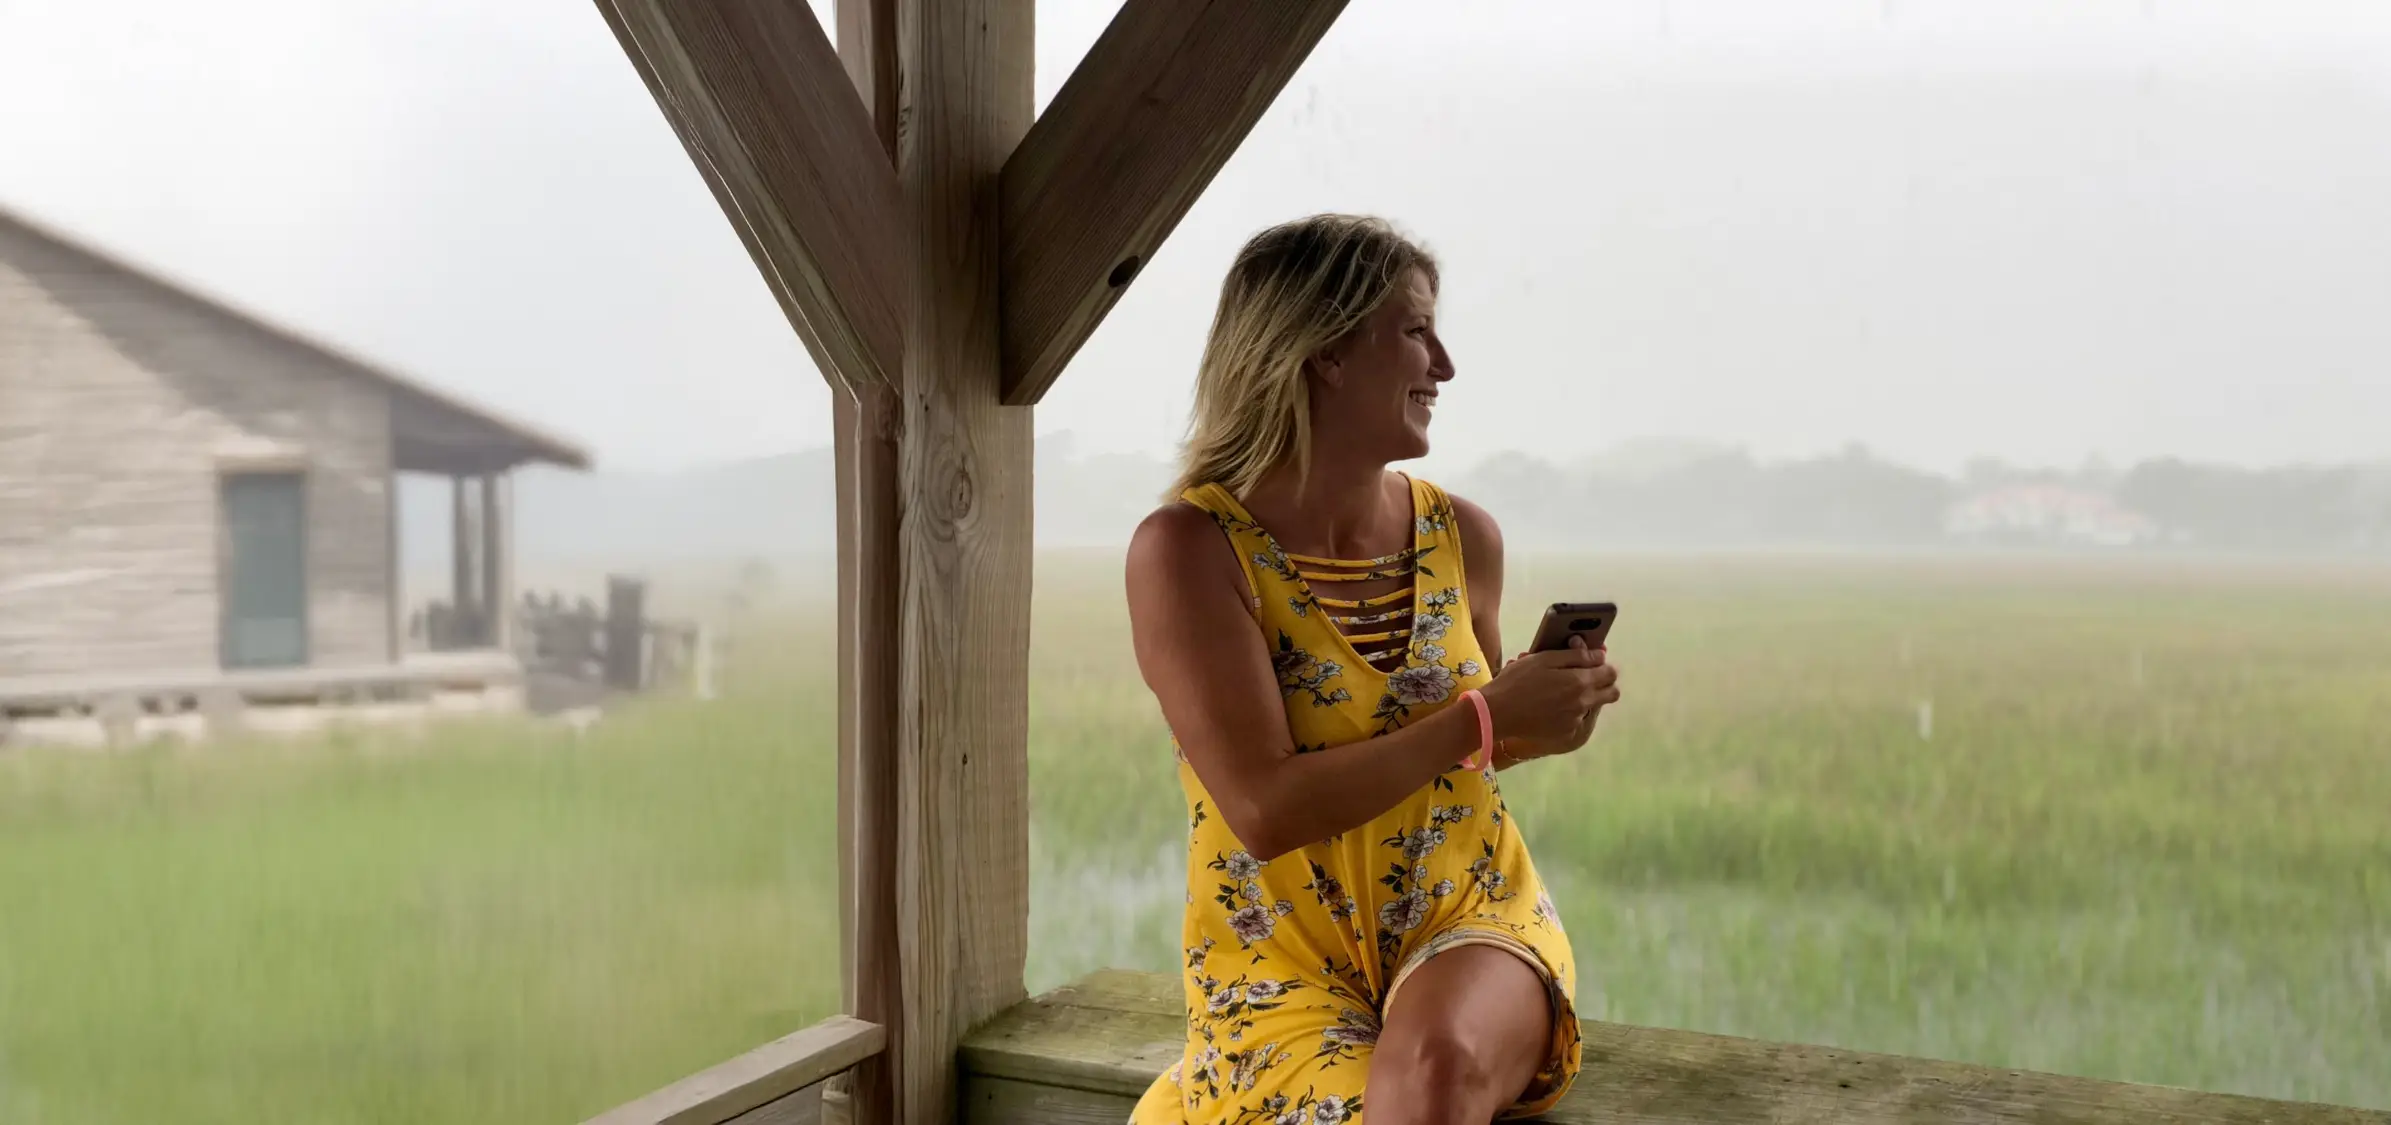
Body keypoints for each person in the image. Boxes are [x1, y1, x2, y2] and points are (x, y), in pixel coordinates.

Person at [1124, 214, 1624, 1125]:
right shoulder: (1191, 552)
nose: (1443, 364)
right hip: (1278, 962)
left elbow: (1468, 747)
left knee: (1432, 1074)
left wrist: (1534, 717)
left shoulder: (1462, 535)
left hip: (1465, 916)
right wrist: (1479, 719)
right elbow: (1265, 808)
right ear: (1323, 353)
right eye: (1414, 331)